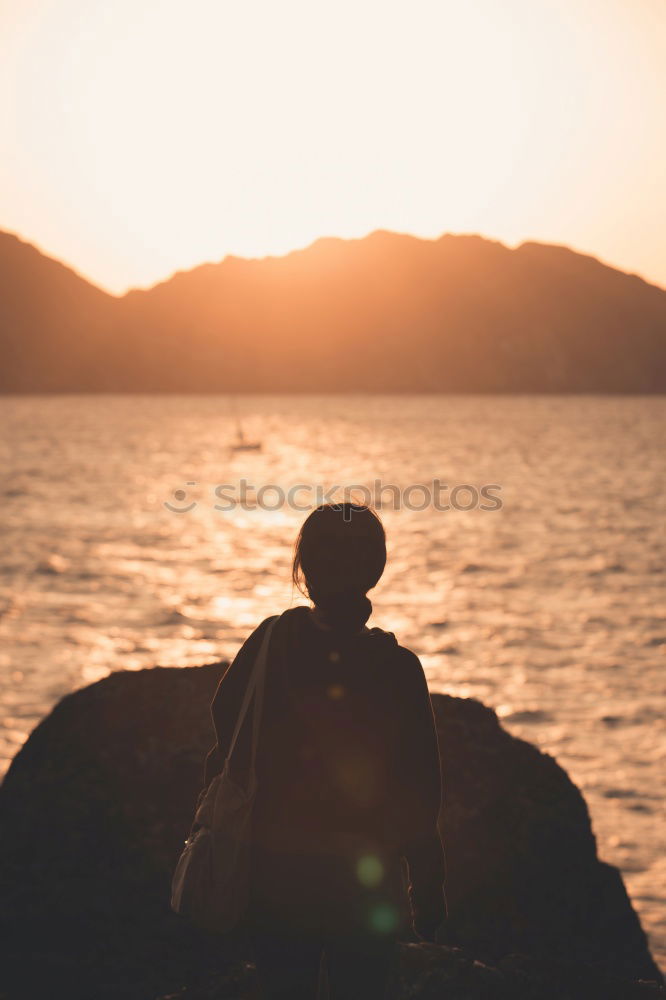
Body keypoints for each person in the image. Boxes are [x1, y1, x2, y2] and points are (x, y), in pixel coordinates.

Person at [202, 503, 447, 999]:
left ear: (306, 571)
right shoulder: (397, 667)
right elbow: (420, 789)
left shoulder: (270, 643)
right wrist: (427, 888)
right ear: (374, 572)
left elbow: (227, 734)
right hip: (365, 881)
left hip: (273, 872)